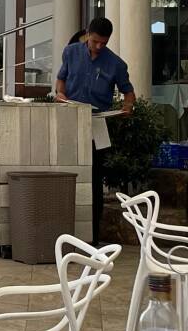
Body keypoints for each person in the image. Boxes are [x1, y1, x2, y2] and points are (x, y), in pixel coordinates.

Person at [55, 17, 135, 244]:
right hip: (71, 117)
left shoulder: (116, 64)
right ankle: (63, 230)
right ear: (87, 34)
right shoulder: (71, 52)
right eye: (95, 41)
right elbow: (61, 80)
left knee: (95, 176)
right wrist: (60, 94)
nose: (98, 46)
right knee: (67, 170)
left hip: (98, 122)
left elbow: (129, 92)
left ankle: (92, 236)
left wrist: (127, 106)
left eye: (103, 43)